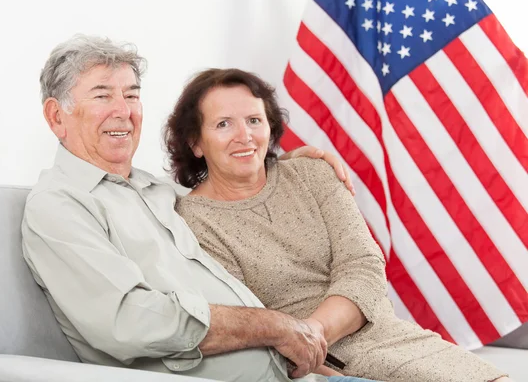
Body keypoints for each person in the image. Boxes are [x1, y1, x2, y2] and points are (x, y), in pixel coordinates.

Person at [21, 34, 374, 382]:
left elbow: (225, 193)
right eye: (102, 95)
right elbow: (128, 320)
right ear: (56, 117)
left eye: (131, 95)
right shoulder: (59, 205)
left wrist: (281, 166)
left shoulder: (156, 191)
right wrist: (273, 327)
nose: (124, 111)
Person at [166, 68, 512, 382]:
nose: (244, 136)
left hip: (385, 335)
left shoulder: (313, 173)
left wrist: (312, 332)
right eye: (223, 124)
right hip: (312, 366)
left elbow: (363, 265)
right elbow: (244, 318)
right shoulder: (193, 220)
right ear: (195, 142)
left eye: (254, 120)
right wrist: (303, 344)